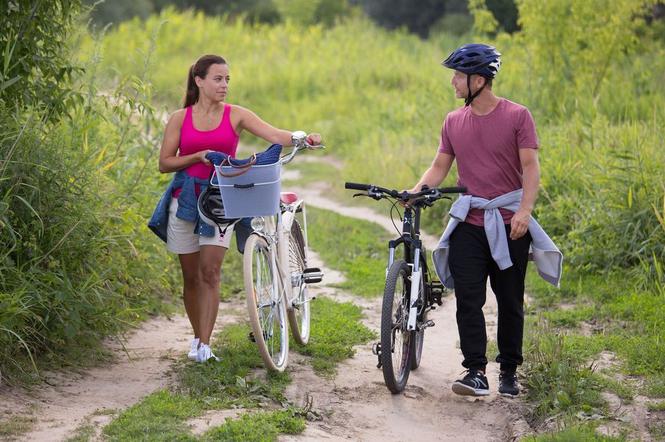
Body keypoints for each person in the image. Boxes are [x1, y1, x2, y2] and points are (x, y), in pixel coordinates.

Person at [409, 44, 562, 396]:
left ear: (479, 80)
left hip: (510, 223)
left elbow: (530, 168)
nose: (453, 83)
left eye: (458, 76)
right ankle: (475, 371)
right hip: (469, 222)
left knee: (509, 300)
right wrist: (414, 191)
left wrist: (524, 211)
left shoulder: (517, 116)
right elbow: (439, 167)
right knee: (468, 298)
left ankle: (509, 370)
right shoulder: (453, 120)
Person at [148, 54, 322, 363]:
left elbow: (275, 135)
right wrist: (197, 156)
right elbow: (165, 162)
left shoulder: (236, 115)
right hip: (185, 199)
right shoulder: (179, 118)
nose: (224, 85)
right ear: (199, 81)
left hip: (221, 200)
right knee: (191, 277)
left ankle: (204, 345)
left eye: (227, 79)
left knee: (210, 272)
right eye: (218, 79)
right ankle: (197, 337)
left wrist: (301, 137)